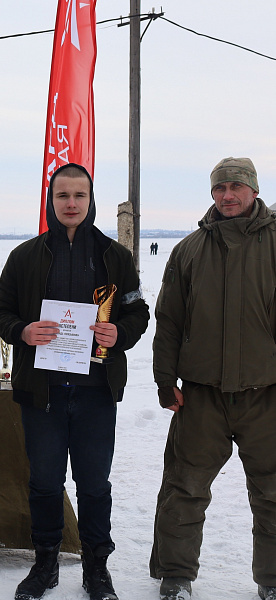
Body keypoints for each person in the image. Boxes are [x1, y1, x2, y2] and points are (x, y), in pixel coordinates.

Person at [0, 163, 149, 600]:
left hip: (95, 390)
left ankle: (96, 567)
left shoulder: (115, 256)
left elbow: (137, 312)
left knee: (94, 483)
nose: (71, 203)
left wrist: (120, 334)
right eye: (63, 195)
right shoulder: (25, 256)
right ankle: (46, 562)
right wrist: (23, 331)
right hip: (41, 390)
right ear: (51, 200)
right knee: (44, 481)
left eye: (79, 195)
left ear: (90, 199)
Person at [150, 157, 276, 600]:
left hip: (266, 396)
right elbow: (168, 321)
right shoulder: (188, 250)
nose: (227, 196)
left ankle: (273, 581)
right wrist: (166, 382)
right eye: (220, 188)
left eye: (236, 188)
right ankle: (176, 576)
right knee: (184, 488)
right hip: (202, 397)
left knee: (273, 493)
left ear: (254, 191)